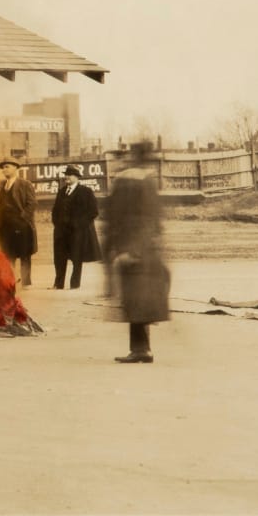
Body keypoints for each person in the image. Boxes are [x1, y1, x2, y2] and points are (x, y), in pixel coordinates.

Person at [104, 142, 170, 363]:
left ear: (133, 156)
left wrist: (129, 250)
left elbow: (135, 218)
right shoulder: (145, 180)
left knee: (137, 299)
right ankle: (142, 349)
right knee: (138, 299)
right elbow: (154, 221)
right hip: (143, 249)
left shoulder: (130, 181)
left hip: (134, 248)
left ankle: (141, 349)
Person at [51, 164, 102, 290]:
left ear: (77, 177)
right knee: (59, 258)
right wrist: (57, 224)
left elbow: (93, 211)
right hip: (62, 232)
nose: (66, 177)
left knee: (76, 258)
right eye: (66, 175)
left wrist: (79, 224)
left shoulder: (86, 192)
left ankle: (74, 285)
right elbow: (55, 211)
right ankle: (58, 284)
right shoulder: (62, 192)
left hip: (77, 232)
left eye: (70, 175)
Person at [0, 158, 37, 287]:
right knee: (7, 255)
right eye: (3, 168)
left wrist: (22, 218)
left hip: (22, 227)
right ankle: (10, 281)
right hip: (5, 227)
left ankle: (26, 283)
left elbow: (32, 204)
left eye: (7, 167)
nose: (4, 170)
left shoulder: (25, 184)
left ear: (16, 168)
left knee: (24, 255)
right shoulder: (1, 186)